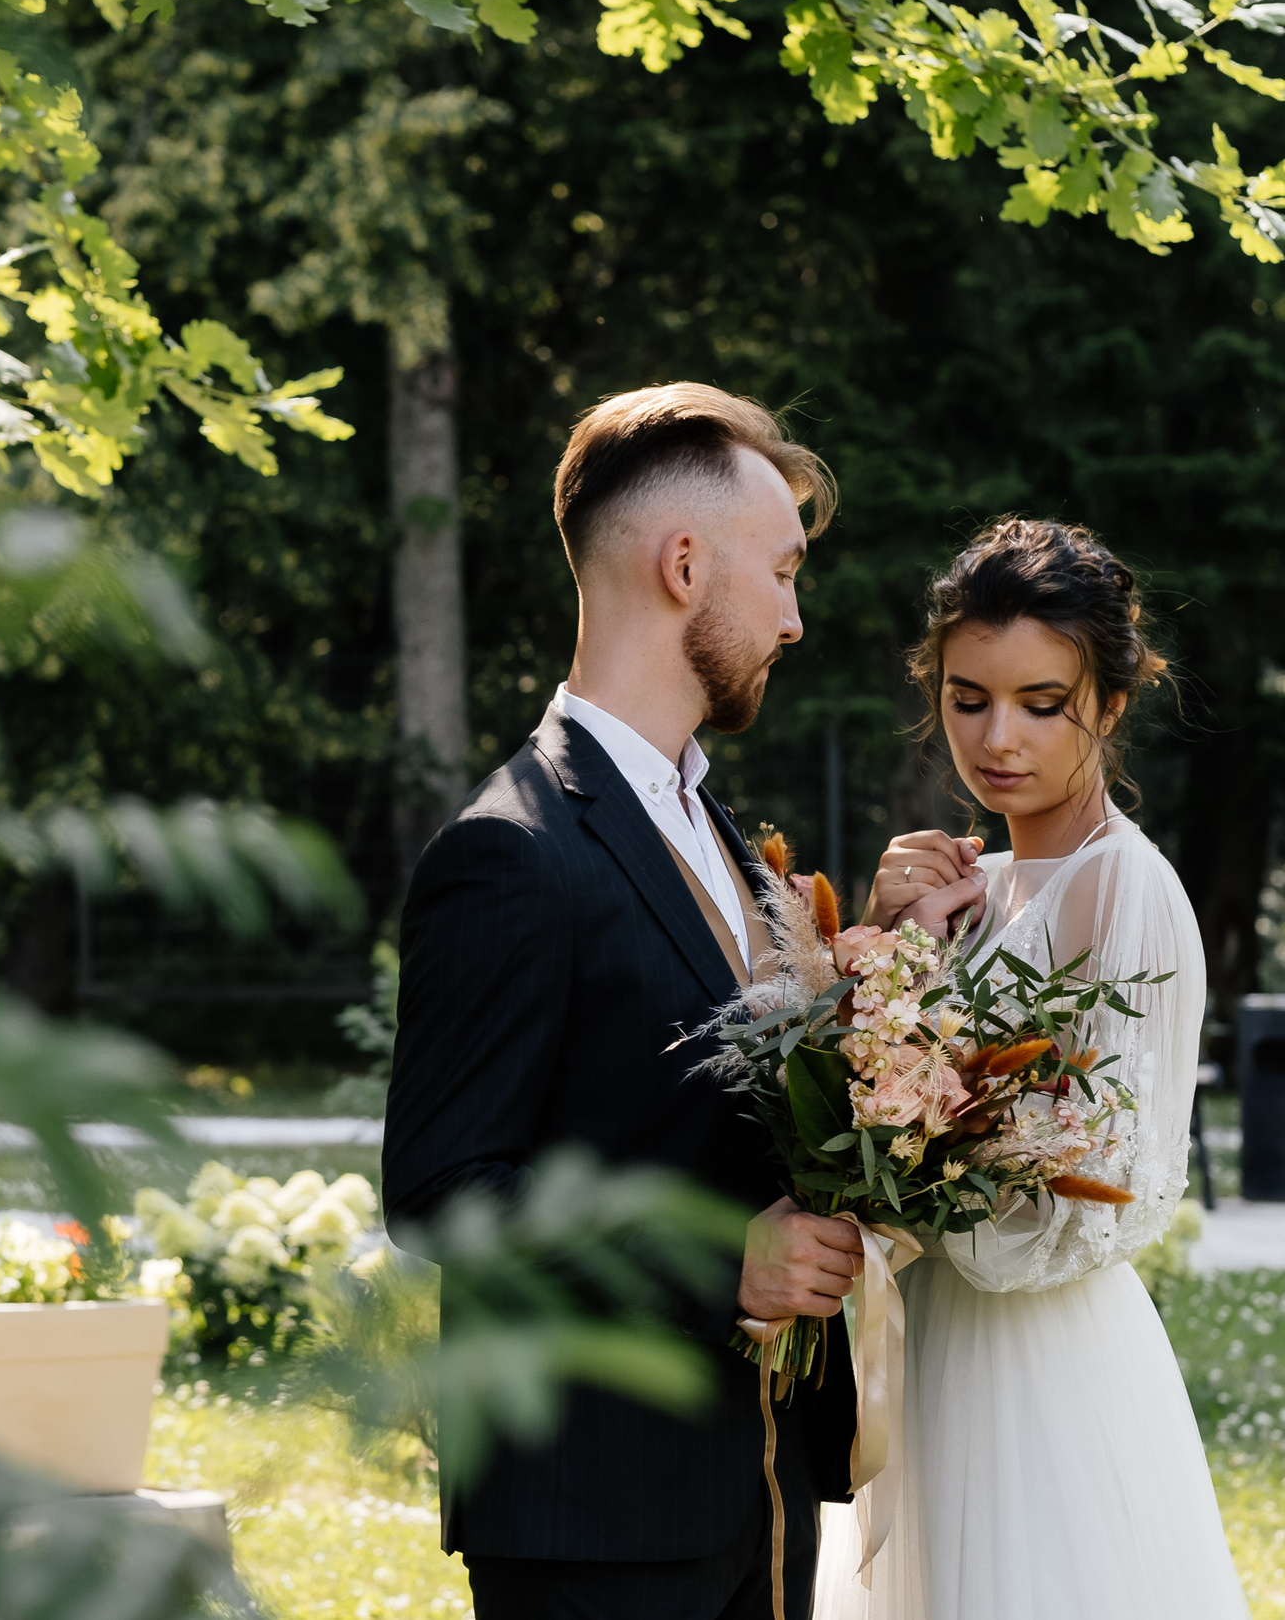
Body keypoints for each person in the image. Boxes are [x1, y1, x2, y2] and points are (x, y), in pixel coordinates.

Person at [383, 383, 985, 1620]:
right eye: (782, 572)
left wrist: (877, 967)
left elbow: (717, 1103)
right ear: (682, 564)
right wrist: (724, 1261)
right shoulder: (509, 849)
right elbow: (442, 1191)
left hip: (753, 1496)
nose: (794, 619)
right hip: (595, 1522)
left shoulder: (711, 824)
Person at [810, 517, 1247, 1620]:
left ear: (1108, 699)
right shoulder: (971, 883)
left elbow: (1085, 1210)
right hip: (924, 1345)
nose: (997, 736)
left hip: (1035, 1369)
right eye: (968, 698)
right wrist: (877, 941)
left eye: (1040, 702)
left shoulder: (1125, 892)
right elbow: (867, 1091)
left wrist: (905, 1186)